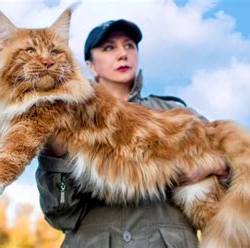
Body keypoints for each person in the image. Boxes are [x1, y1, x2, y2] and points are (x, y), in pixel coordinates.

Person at [36, 19, 230, 247]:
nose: (123, 54)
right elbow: (61, 216)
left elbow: (243, 170)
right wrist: (57, 158)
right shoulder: (67, 117)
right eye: (109, 48)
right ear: (90, 65)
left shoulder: (176, 113)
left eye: (129, 46)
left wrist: (216, 167)